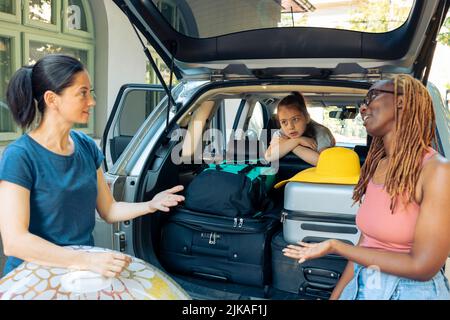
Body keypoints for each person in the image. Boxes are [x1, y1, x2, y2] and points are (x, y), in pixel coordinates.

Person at [0, 54, 185, 278]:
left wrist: (151, 205)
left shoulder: (85, 146)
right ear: (52, 99)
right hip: (33, 275)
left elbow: (109, 209)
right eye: (82, 93)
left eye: (91, 92)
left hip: (78, 273)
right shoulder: (20, 156)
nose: (92, 101)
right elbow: (15, 242)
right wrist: (86, 261)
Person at [282, 75, 450, 300]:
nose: (363, 107)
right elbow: (366, 244)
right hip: (364, 283)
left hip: (411, 291)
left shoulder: (437, 170)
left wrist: (336, 246)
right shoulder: (377, 166)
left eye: (372, 97)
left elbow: (423, 267)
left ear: (401, 102)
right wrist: (337, 295)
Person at [265, 92, 335, 166]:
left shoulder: (321, 131)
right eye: (284, 122)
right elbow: (269, 156)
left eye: (295, 119)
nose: (290, 127)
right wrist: (297, 141)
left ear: (307, 118)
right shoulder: (281, 133)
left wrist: (291, 144)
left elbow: (323, 161)